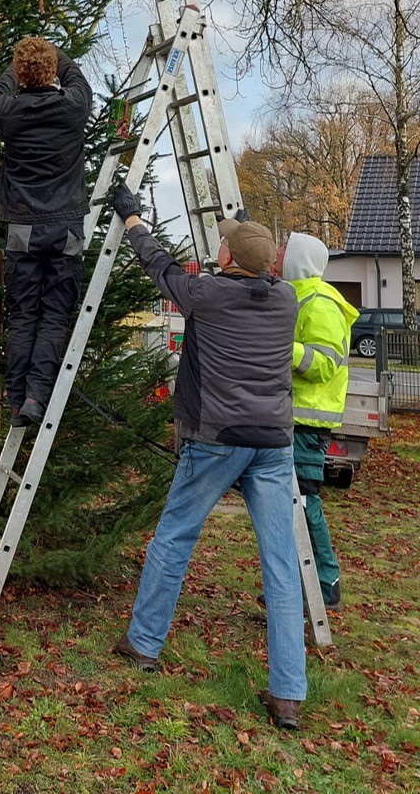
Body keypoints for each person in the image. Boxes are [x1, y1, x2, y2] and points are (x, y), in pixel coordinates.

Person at [110, 185, 307, 731]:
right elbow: (250, 269)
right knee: (280, 564)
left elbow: (159, 265)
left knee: (174, 538)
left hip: (216, 439)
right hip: (272, 444)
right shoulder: (286, 298)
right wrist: (242, 229)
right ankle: (288, 693)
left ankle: (144, 644)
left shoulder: (207, 295)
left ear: (229, 261)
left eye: (225, 247)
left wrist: (132, 219)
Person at [0, 37, 92, 426]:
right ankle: (36, 397)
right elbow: (76, 75)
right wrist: (53, 55)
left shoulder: (7, 112)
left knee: (24, 314)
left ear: (18, 73)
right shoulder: (74, 106)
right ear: (52, 70)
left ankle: (16, 402)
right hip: (66, 225)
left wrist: (19, 62)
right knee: (54, 315)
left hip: (22, 228)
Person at [275, 231, 358, 613]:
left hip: (308, 423)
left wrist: (279, 348)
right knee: (290, 504)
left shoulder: (320, 304)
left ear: (297, 259)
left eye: (282, 250)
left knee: (304, 503)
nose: (276, 255)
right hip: (293, 420)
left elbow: (323, 364)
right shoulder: (296, 294)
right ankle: (300, 586)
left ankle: (324, 583)